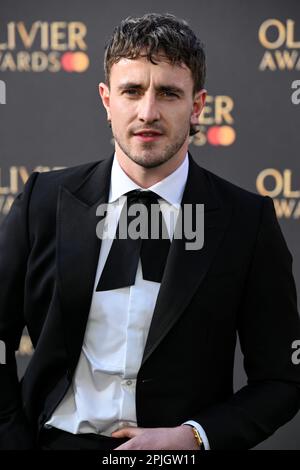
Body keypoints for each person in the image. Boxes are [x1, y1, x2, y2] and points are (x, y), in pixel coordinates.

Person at [0, 12, 300, 451]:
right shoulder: (43, 201)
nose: (148, 112)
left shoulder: (245, 220)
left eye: (168, 93)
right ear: (106, 100)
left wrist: (193, 437)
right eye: (132, 91)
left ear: (197, 106)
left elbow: (282, 379)